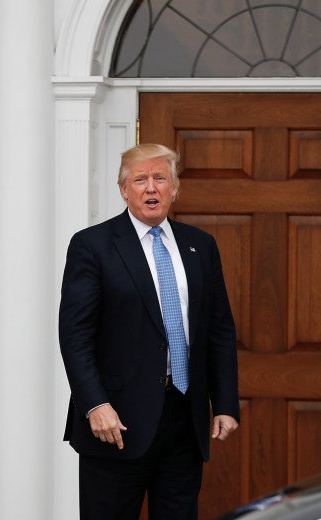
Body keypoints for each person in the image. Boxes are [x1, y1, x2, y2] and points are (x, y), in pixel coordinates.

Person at [59, 143, 240, 520]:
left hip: (184, 421)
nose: (151, 188)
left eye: (160, 178)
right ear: (124, 190)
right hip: (115, 423)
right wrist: (95, 403)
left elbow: (219, 328)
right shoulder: (92, 246)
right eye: (140, 180)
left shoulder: (200, 246)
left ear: (175, 188)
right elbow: (75, 335)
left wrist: (224, 402)